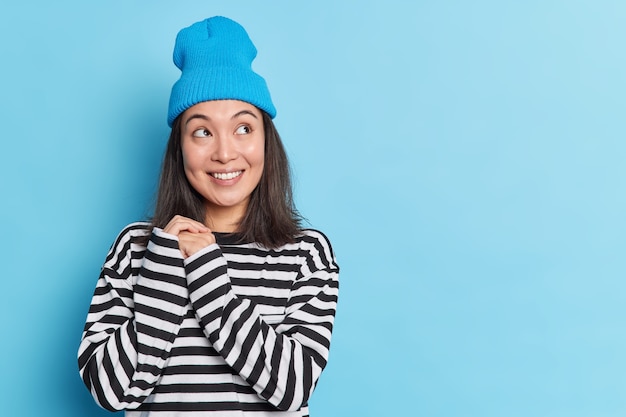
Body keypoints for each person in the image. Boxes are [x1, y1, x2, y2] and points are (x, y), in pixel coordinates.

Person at [78, 16, 339, 416]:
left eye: (243, 128)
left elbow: (292, 388)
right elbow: (114, 393)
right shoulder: (135, 248)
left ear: (266, 139)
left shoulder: (306, 253)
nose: (224, 152)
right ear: (178, 147)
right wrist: (163, 269)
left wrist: (206, 273)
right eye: (202, 131)